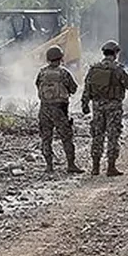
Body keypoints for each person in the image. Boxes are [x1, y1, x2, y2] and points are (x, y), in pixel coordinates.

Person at [81, 40, 128, 176]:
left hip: (97, 107)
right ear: (115, 53)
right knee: (112, 135)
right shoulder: (118, 69)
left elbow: (87, 88)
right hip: (113, 107)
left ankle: (95, 167)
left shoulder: (94, 69)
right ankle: (111, 167)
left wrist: (85, 104)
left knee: (97, 136)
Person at [35, 45, 84, 175]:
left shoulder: (42, 73)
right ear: (60, 58)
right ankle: (71, 165)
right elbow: (73, 88)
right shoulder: (63, 73)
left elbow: (37, 86)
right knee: (67, 138)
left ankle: (49, 166)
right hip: (59, 110)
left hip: (44, 109)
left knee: (46, 139)